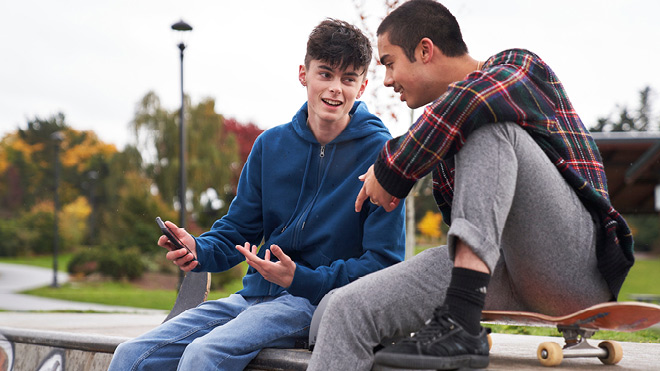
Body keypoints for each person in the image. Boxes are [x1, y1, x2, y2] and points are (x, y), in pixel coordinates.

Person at [306, 1, 634, 370]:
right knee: (347, 309)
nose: (387, 80)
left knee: (489, 125)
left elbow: (475, 99)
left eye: (390, 62)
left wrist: (392, 167)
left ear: (425, 51)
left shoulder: (519, 67)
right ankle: (457, 318)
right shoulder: (447, 137)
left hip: (575, 268)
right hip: (495, 273)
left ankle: (460, 321)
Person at [108, 18, 405, 371]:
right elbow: (239, 229)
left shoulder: (383, 155)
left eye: (348, 79)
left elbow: (384, 263)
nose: (335, 88)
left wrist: (302, 279)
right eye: (325, 74)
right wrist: (199, 249)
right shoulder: (271, 145)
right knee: (130, 356)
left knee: (204, 354)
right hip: (253, 297)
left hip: (313, 302)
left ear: (363, 84)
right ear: (303, 74)